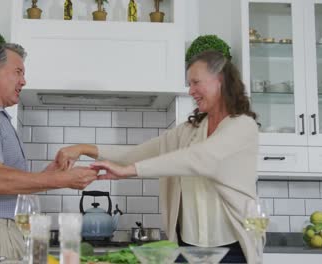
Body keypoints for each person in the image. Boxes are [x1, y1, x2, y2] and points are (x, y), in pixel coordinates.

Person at [55, 50, 259, 263]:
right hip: (186, 250)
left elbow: (201, 159)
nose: (191, 91)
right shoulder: (188, 131)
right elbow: (134, 154)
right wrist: (84, 148)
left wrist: (129, 172)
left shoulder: (242, 126)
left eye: (196, 82)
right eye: (189, 84)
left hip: (232, 251)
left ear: (220, 80)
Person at [0, 43, 98, 259]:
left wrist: (52, 173)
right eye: (18, 72)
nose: (23, 81)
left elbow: (10, 182)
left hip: (5, 231)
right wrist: (64, 180)